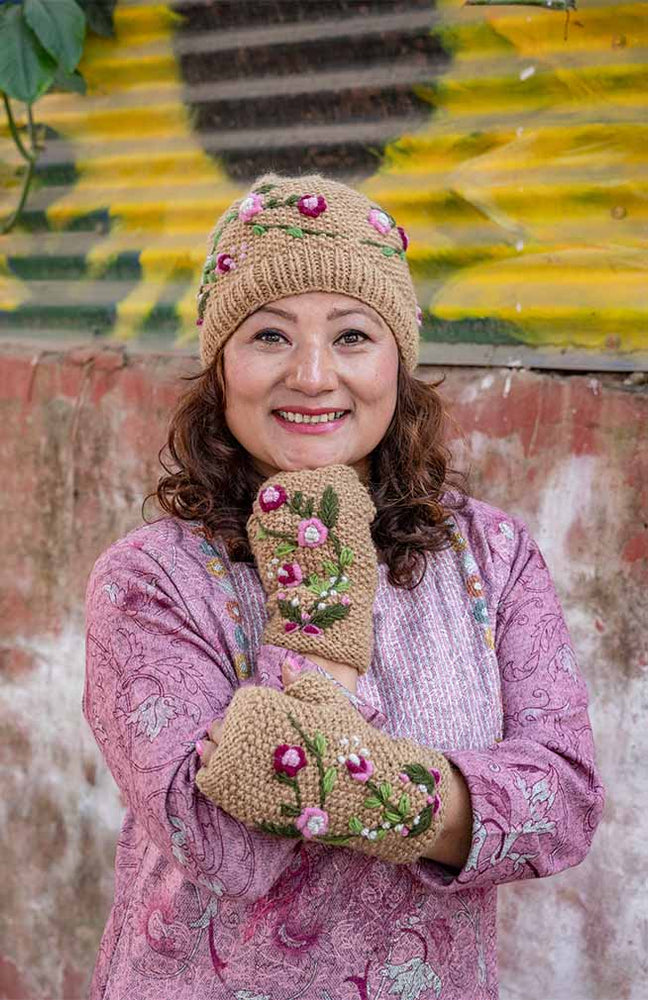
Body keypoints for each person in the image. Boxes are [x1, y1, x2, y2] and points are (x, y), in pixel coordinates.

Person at [83, 172, 604, 1000]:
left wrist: (349, 786)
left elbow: (563, 804)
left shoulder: (491, 555)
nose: (315, 376)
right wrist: (316, 595)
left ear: (399, 360)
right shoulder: (151, 582)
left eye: (354, 335)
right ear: (220, 366)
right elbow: (229, 849)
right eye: (270, 337)